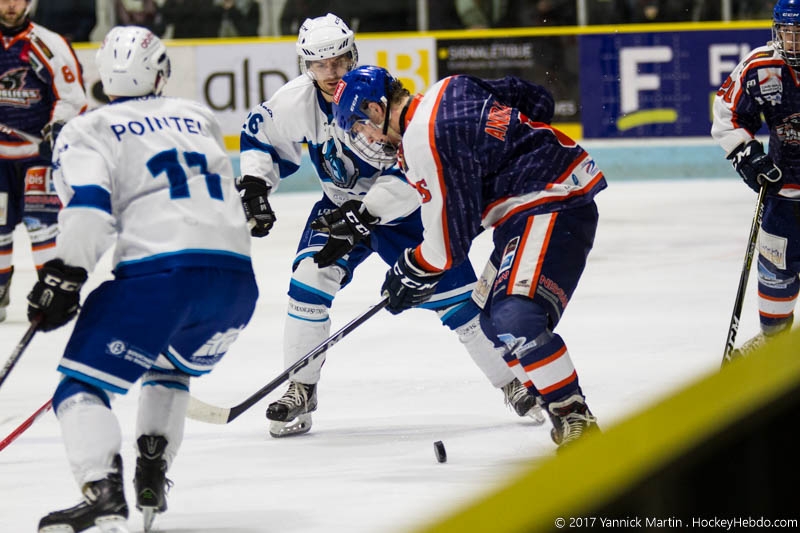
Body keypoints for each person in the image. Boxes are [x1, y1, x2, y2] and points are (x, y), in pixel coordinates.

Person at [238, 13, 544, 439]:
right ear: (305, 66)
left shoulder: (380, 97)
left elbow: (411, 171)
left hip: (401, 216)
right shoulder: (295, 103)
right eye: (319, 65)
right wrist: (255, 184)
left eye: (340, 61)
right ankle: (301, 389)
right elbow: (261, 139)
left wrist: (366, 213)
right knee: (309, 279)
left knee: (459, 306)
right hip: (339, 206)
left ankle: (513, 381)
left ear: (353, 55)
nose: (331, 73)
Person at [29, 25, 258, 533]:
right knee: (169, 368)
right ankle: (153, 471)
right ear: (161, 72)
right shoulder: (198, 118)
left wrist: (64, 275)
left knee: (80, 389)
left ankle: (102, 494)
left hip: (160, 277)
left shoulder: (88, 129)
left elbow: (88, 211)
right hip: (235, 284)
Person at [332, 66, 607, 448]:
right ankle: (555, 401)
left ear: (376, 110)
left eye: (360, 126)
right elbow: (533, 98)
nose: (365, 136)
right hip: (528, 207)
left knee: (515, 317)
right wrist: (515, 150)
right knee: (492, 323)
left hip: (550, 200)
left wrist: (411, 271)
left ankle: (573, 415)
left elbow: (449, 244)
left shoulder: (423, 141)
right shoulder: (450, 87)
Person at [711, 0, 800, 359]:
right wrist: (748, 157)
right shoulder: (761, 65)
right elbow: (727, 114)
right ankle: (775, 342)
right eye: (787, 33)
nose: (793, 42)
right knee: (776, 268)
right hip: (784, 190)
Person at [0, 0, 87, 323]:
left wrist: (57, 129)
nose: (10, 5)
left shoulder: (48, 44)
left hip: (37, 156)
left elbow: (73, 97)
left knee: (42, 227)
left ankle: (51, 295)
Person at [30, 0, 97, 43]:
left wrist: (73, 37)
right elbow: (38, 17)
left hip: (75, 47)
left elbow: (89, 19)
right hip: (48, 45)